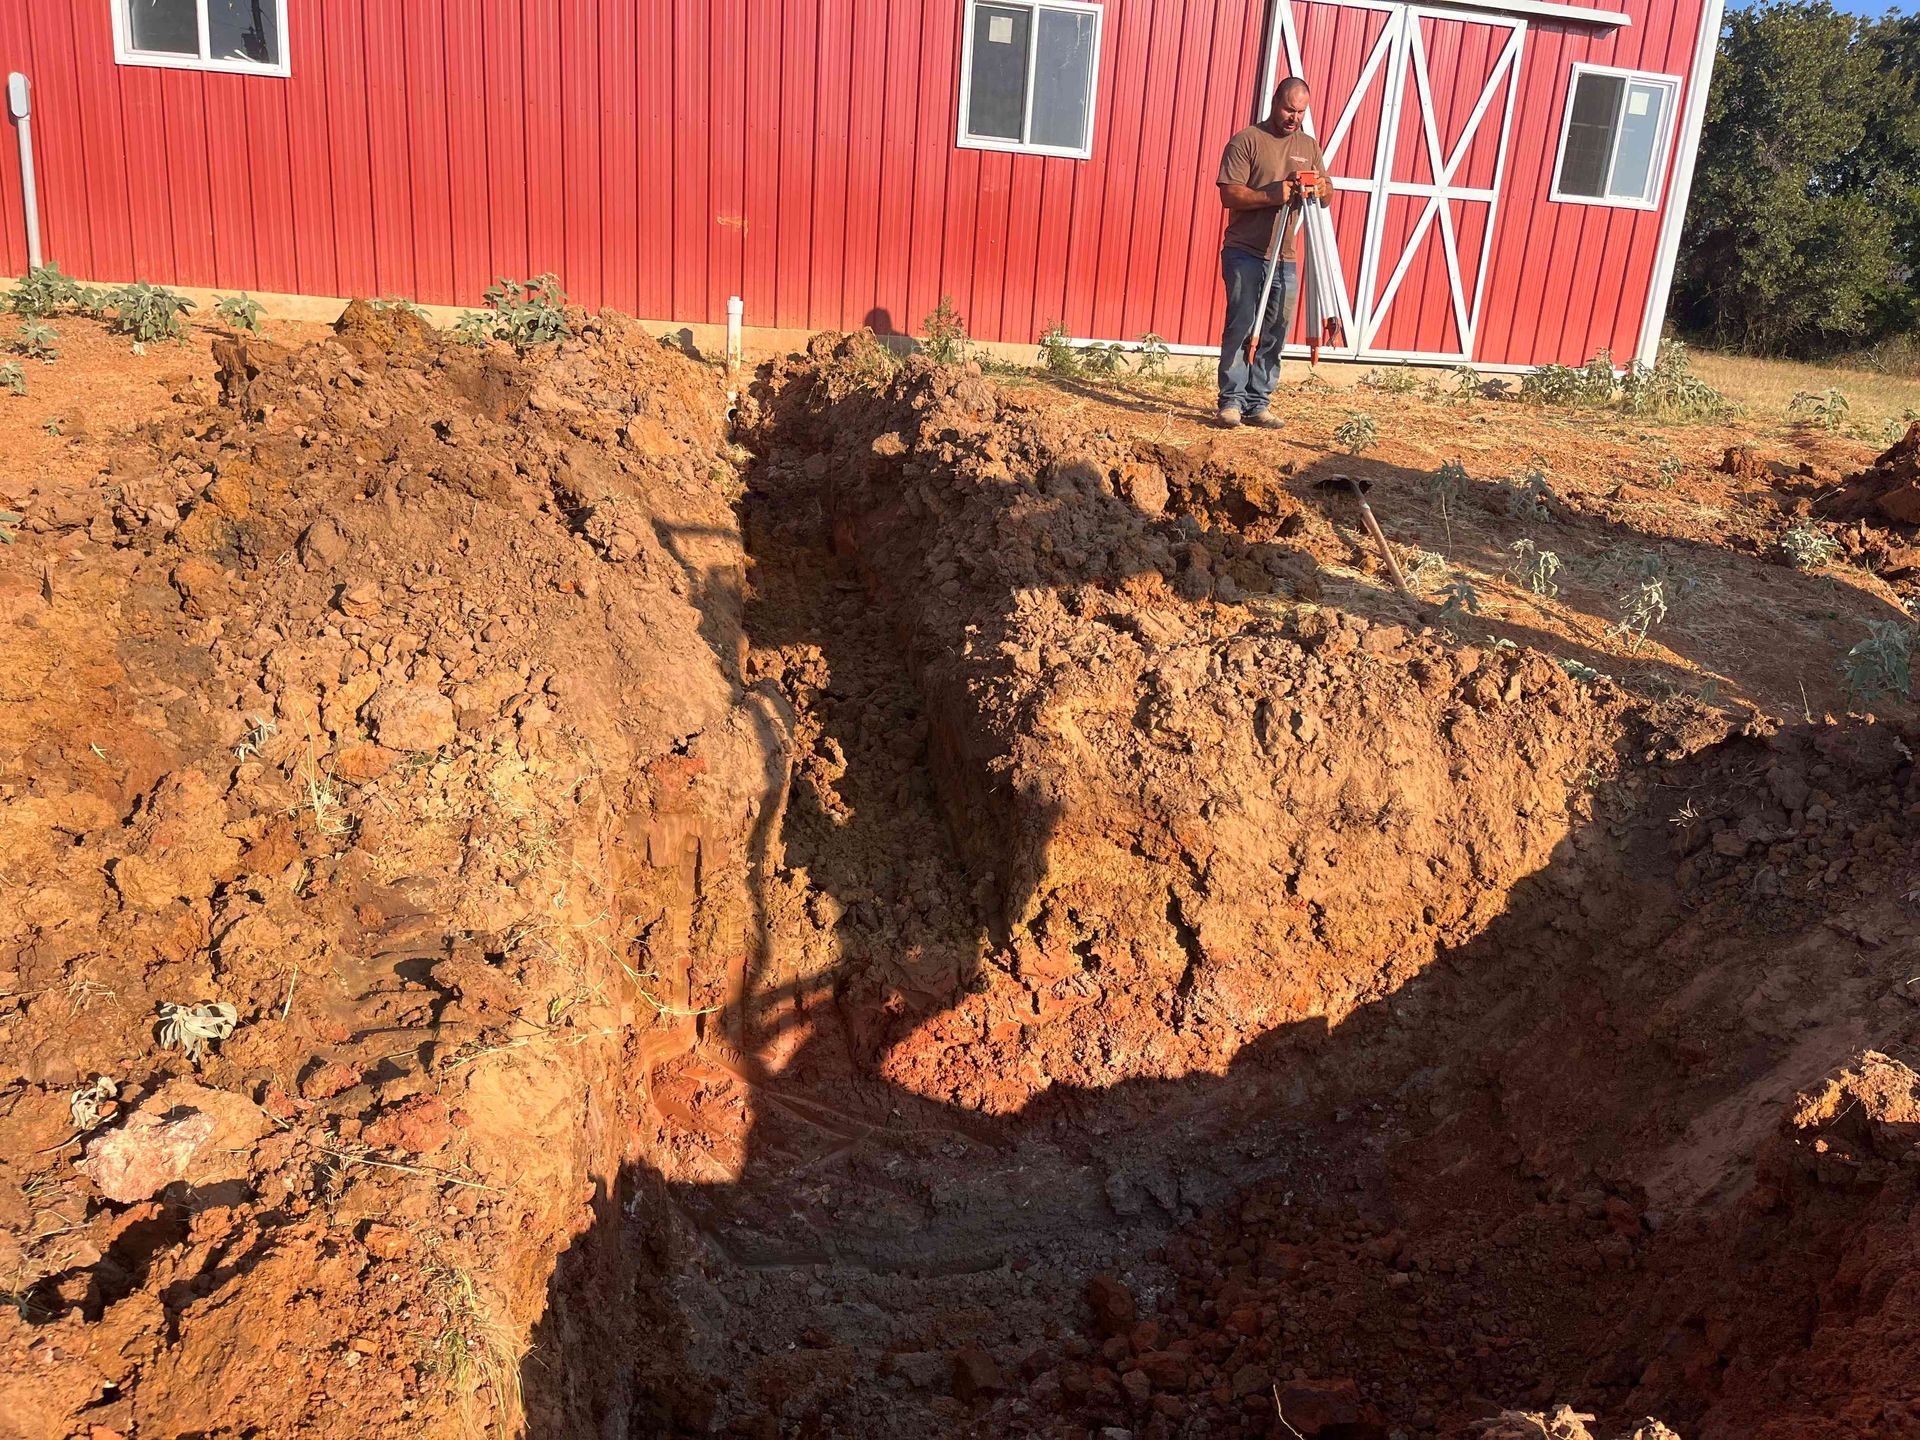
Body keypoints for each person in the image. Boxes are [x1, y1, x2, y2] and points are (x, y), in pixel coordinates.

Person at [1215, 78, 1334, 429]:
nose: (1294, 117)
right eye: (1289, 109)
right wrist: (1273, 195)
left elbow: (1327, 194)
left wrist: (1322, 187)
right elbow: (1229, 195)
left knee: (1276, 330)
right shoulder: (1247, 141)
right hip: (1245, 251)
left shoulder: (1308, 145)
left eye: (1301, 112)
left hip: (1285, 255)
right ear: (1275, 102)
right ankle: (1232, 401)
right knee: (1242, 325)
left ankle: (1258, 403)